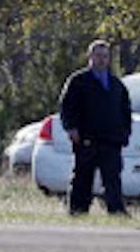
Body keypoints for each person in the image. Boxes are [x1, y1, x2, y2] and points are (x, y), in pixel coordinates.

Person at [56, 39, 132, 216]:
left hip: (111, 141)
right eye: (98, 55)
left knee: (112, 178)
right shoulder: (78, 81)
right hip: (86, 139)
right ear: (89, 57)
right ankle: (77, 211)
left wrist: (125, 133)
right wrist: (71, 128)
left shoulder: (116, 85)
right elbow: (66, 107)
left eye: (105, 56)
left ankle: (117, 211)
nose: (102, 60)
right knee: (82, 178)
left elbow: (125, 110)